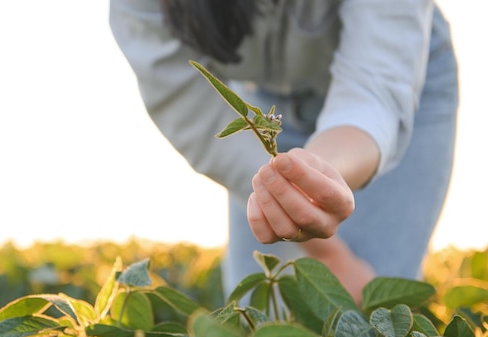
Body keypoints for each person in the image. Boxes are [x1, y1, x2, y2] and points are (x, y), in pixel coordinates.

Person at [109, 0, 458, 303]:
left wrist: (316, 178)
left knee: (372, 302)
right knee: (259, 314)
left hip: (403, 82)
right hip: (266, 103)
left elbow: (372, 95)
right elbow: (192, 112)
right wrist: (327, 252)